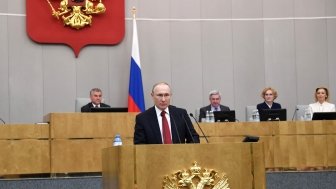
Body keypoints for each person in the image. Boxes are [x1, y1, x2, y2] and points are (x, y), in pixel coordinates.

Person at [134, 82, 200, 144]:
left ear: (170, 95)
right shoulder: (143, 118)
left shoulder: (181, 114)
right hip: (154, 155)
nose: (163, 99)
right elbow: (139, 145)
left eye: (166, 95)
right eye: (159, 95)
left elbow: (194, 137)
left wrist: (186, 153)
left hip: (179, 155)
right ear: (152, 95)